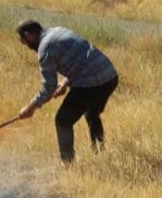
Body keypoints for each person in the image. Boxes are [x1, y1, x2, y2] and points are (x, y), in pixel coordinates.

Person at [16, 20, 118, 163]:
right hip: (109, 76)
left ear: (29, 34)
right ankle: (100, 152)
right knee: (92, 114)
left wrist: (31, 108)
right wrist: (64, 82)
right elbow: (80, 60)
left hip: (92, 83)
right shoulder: (59, 30)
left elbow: (48, 87)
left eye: (25, 42)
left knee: (62, 121)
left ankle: (68, 164)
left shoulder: (45, 48)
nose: (27, 47)